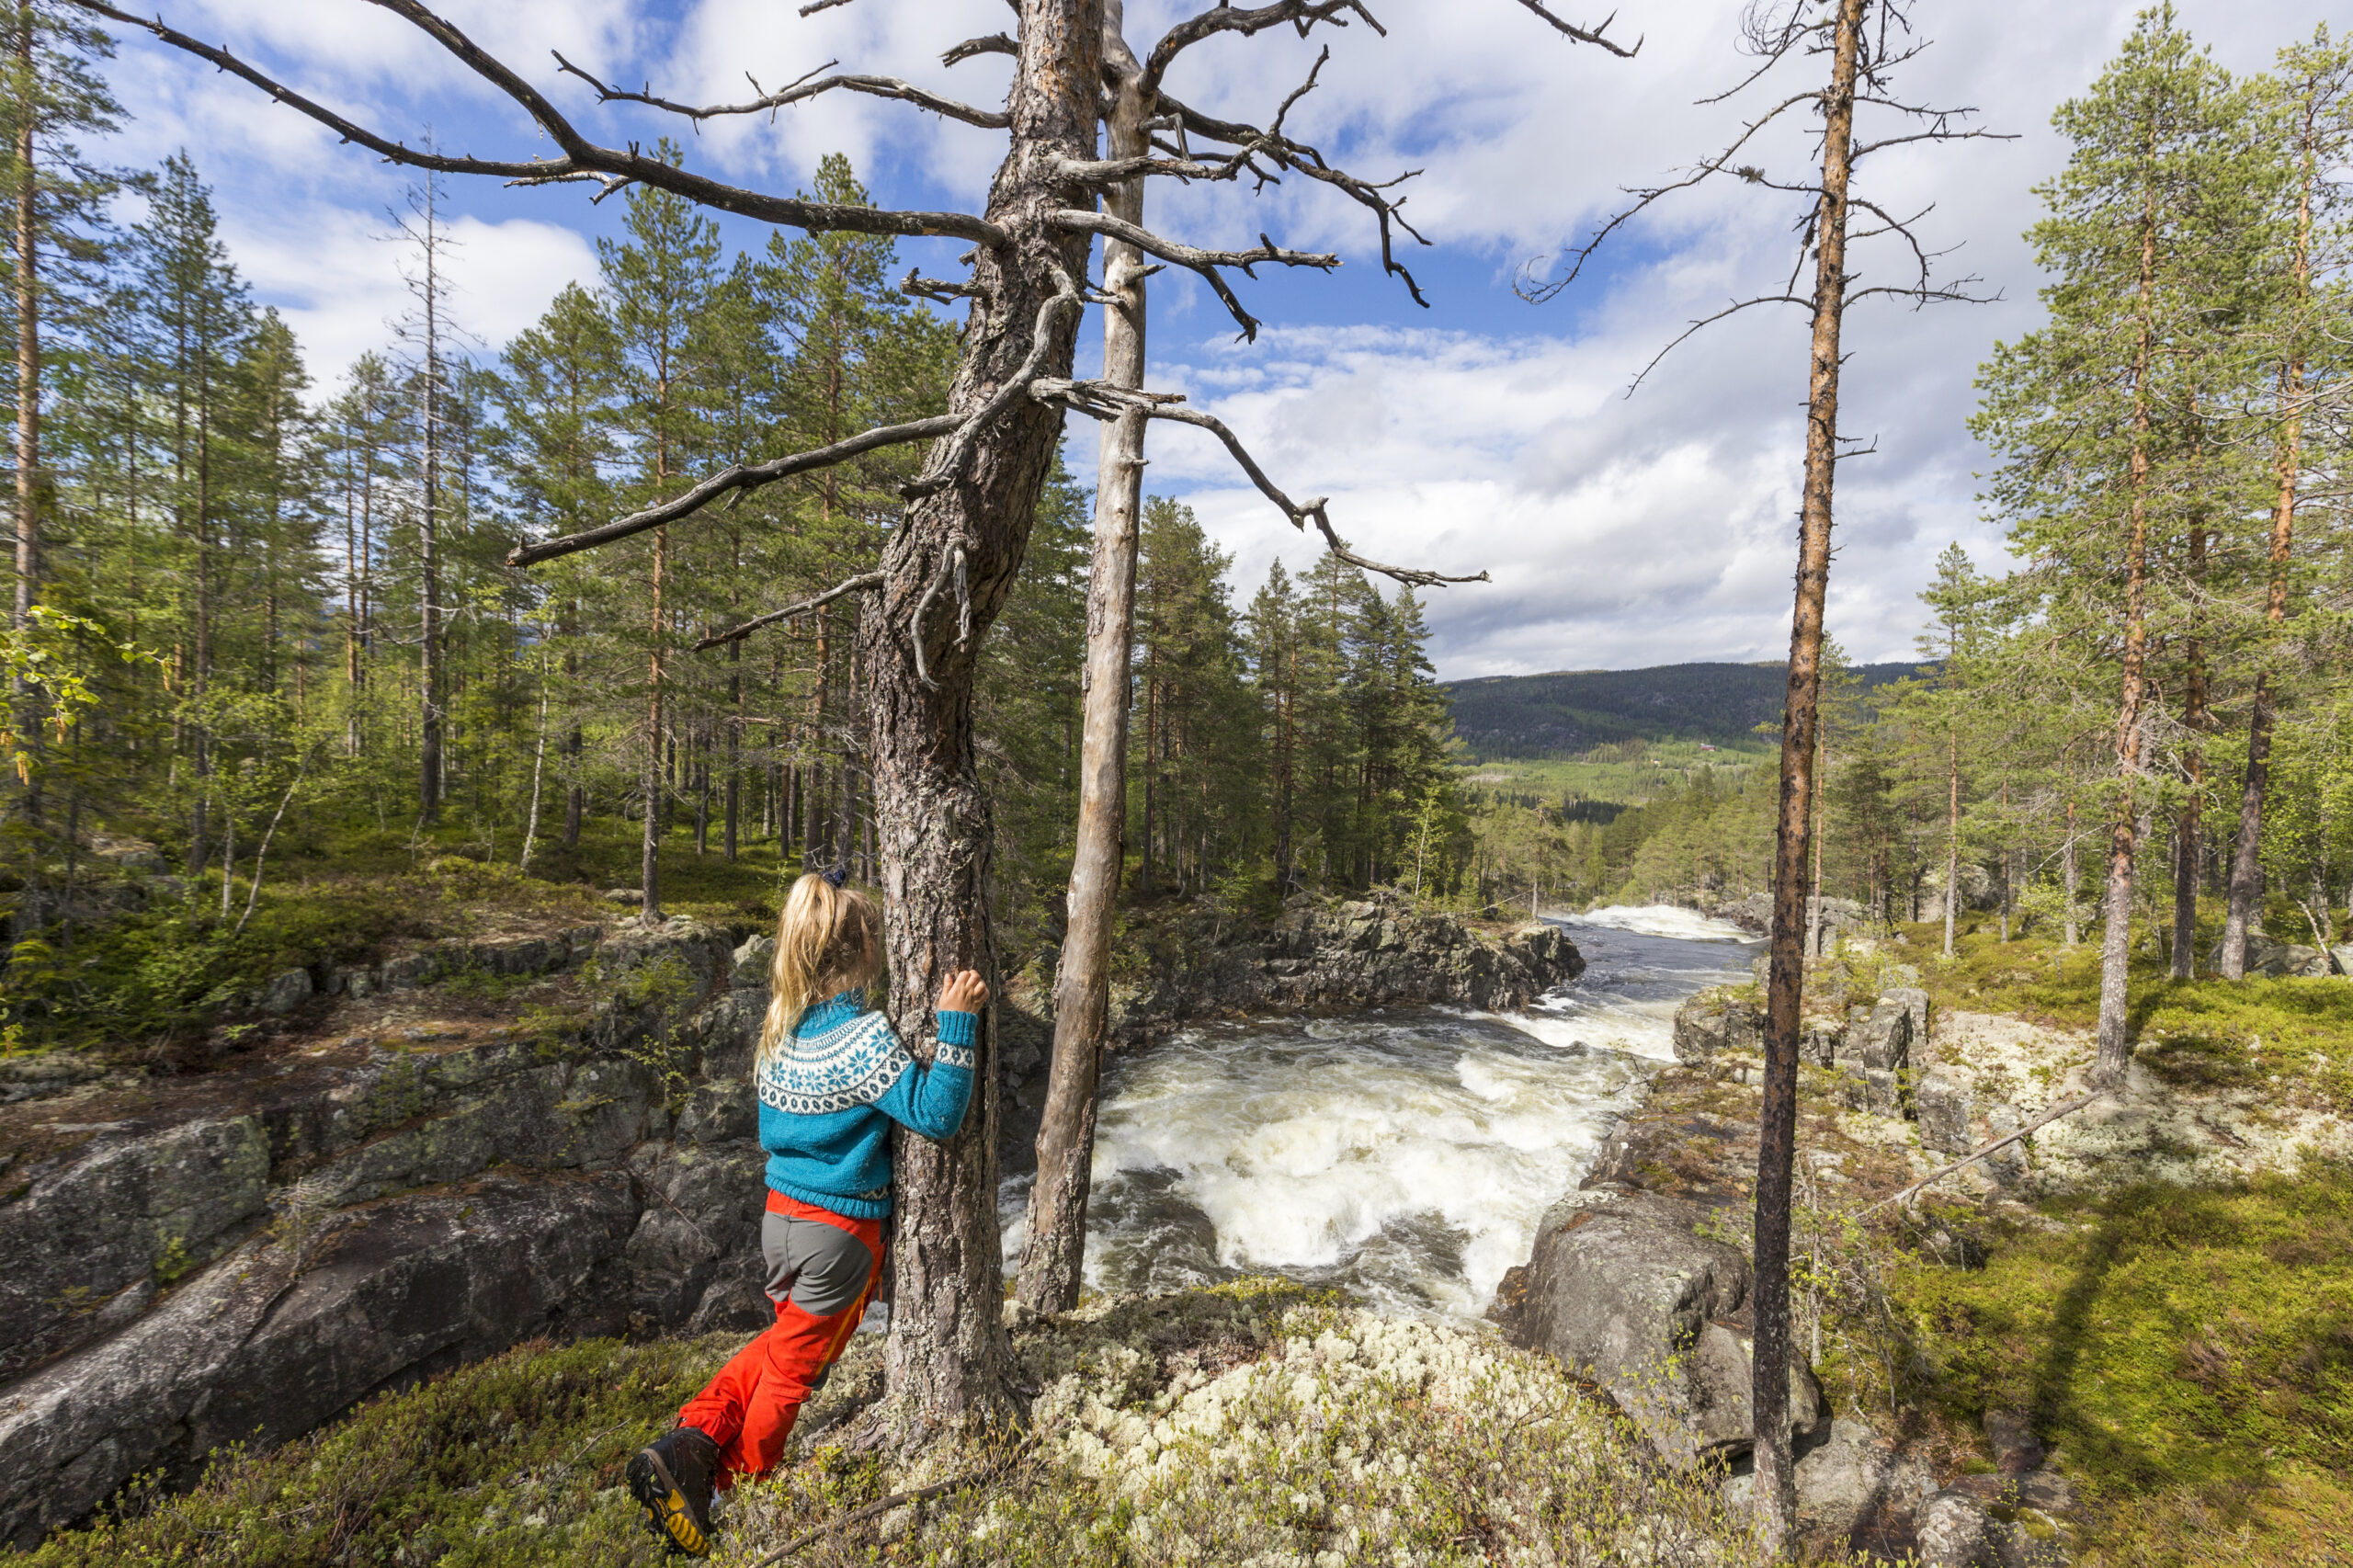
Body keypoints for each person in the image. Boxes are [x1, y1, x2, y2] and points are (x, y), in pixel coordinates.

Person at [626, 869, 987, 1557]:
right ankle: (729, 1489)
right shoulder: (863, 1036)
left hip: (781, 1221)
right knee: (793, 1374)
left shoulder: (779, 1033)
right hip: (839, 1235)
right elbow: (937, 1117)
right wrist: (958, 1026)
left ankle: (695, 1438)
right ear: (865, 952)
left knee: (781, 1345)